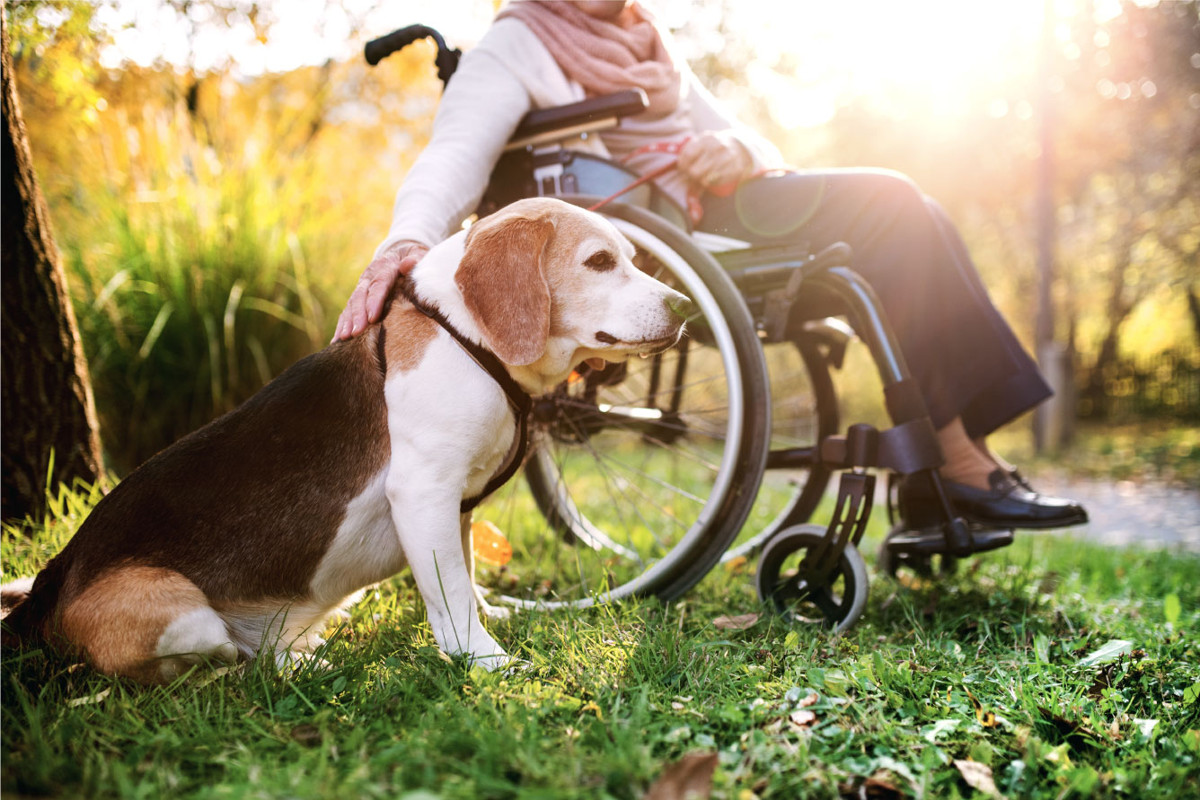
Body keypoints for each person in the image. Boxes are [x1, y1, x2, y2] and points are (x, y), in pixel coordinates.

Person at [334, 0, 1086, 533]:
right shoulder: (516, 44)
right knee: (892, 204)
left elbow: (750, 143)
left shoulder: (648, 43)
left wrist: (737, 152)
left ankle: (954, 456)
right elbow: (454, 156)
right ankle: (953, 463)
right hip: (648, 234)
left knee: (916, 211)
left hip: (711, 209)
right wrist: (407, 240)